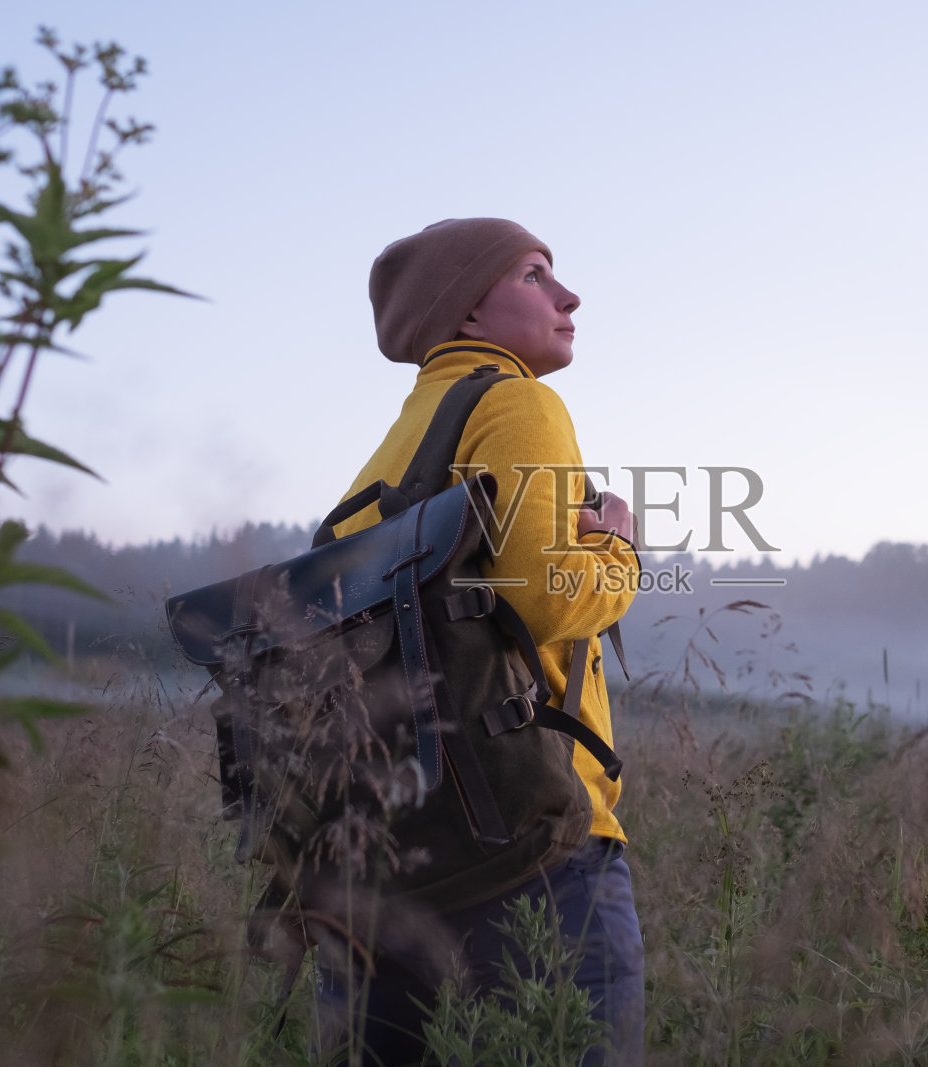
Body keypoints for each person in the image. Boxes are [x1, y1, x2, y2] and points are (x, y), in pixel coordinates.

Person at [316, 218, 644, 1066]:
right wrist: (617, 547)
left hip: (386, 871)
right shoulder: (518, 402)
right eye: (534, 275)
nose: (568, 296)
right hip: (532, 852)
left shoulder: (388, 456)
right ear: (465, 310)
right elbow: (542, 598)